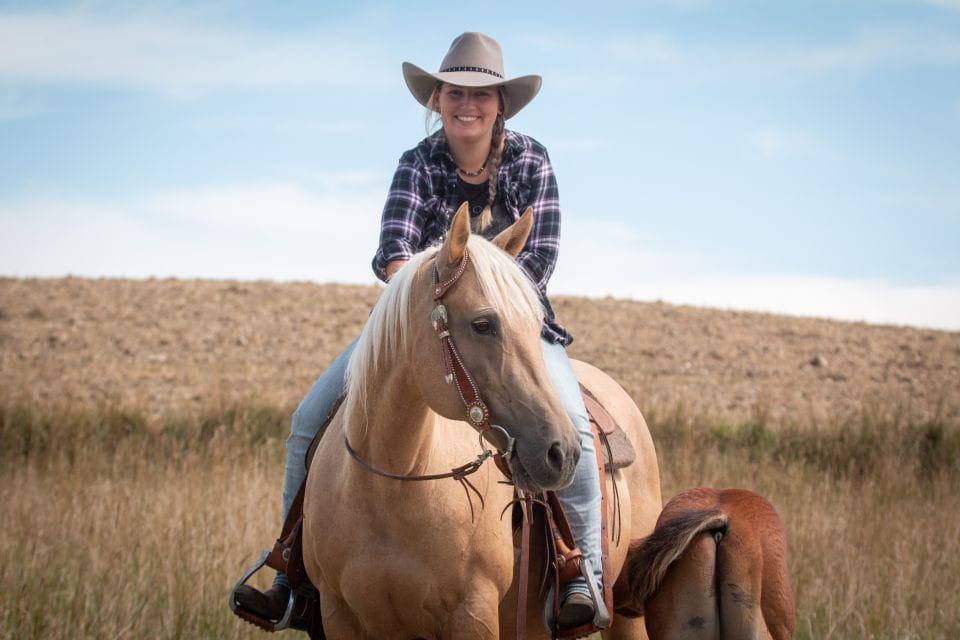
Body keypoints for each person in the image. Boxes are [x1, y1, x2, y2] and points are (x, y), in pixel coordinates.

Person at [234, 32, 606, 631]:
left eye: (482, 95)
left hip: (509, 325)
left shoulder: (532, 160)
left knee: (576, 431)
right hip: (419, 323)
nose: (469, 104)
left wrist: (479, 289)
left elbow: (537, 261)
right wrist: (430, 294)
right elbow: (395, 252)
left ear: (500, 104)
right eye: (456, 92)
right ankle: (289, 572)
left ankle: (578, 569)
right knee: (309, 420)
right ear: (437, 99)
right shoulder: (416, 163)